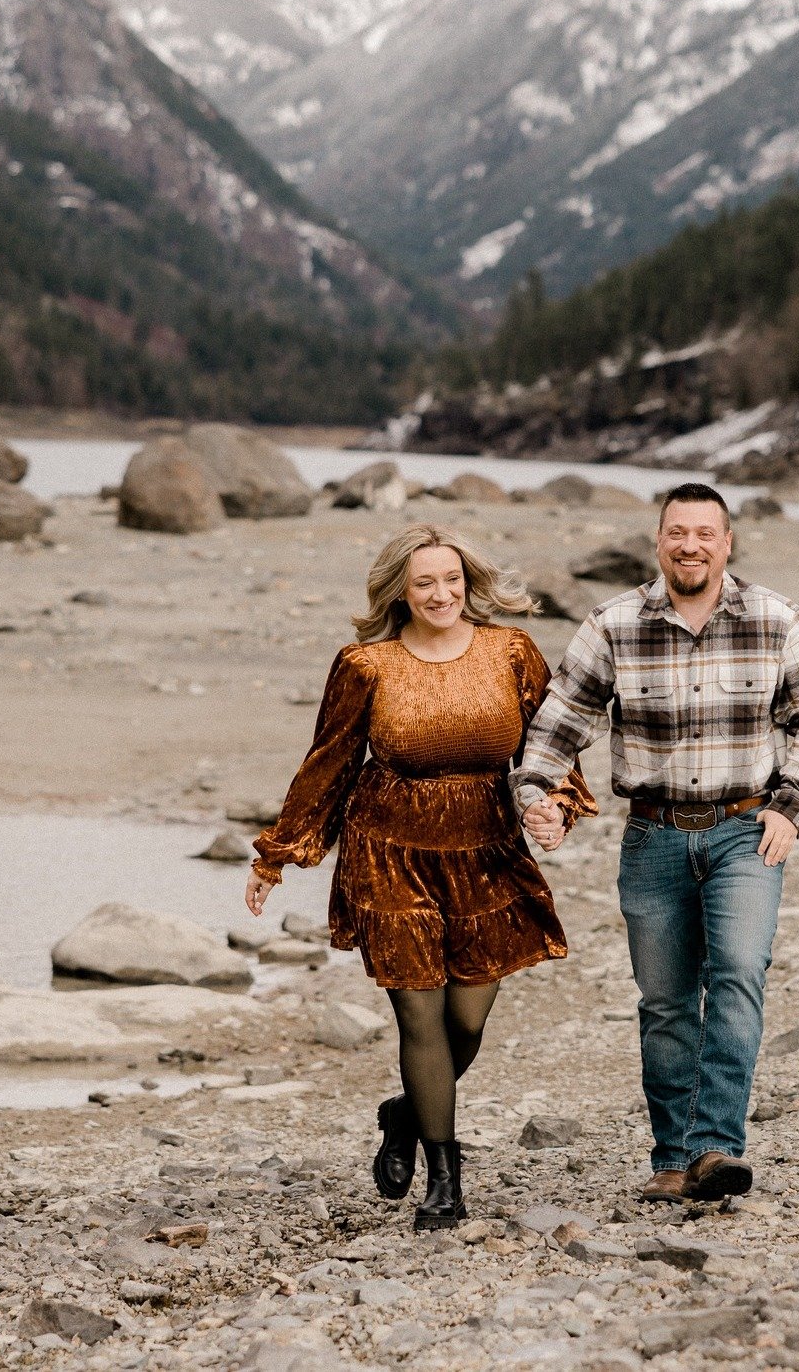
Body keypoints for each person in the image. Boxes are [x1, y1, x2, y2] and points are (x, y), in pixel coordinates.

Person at [245, 523, 593, 1230]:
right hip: (389, 851)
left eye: (452, 580)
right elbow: (330, 762)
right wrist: (278, 854)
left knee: (465, 1021)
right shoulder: (365, 664)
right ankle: (445, 1177)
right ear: (399, 590)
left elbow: (553, 747)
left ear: (469, 584)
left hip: (485, 848)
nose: (441, 593)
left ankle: (403, 1115)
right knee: (420, 1016)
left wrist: (557, 806)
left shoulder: (511, 651)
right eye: (425, 581)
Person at [513, 481, 799, 1203]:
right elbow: (556, 726)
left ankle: (715, 1148)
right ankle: (672, 1157)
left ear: (726, 542)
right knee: (665, 1001)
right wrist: (536, 796)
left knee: (736, 974)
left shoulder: (773, 617)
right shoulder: (613, 624)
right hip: (652, 837)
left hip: (744, 832)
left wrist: (790, 805)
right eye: (676, 532)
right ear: (658, 541)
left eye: (704, 532)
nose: (689, 544)